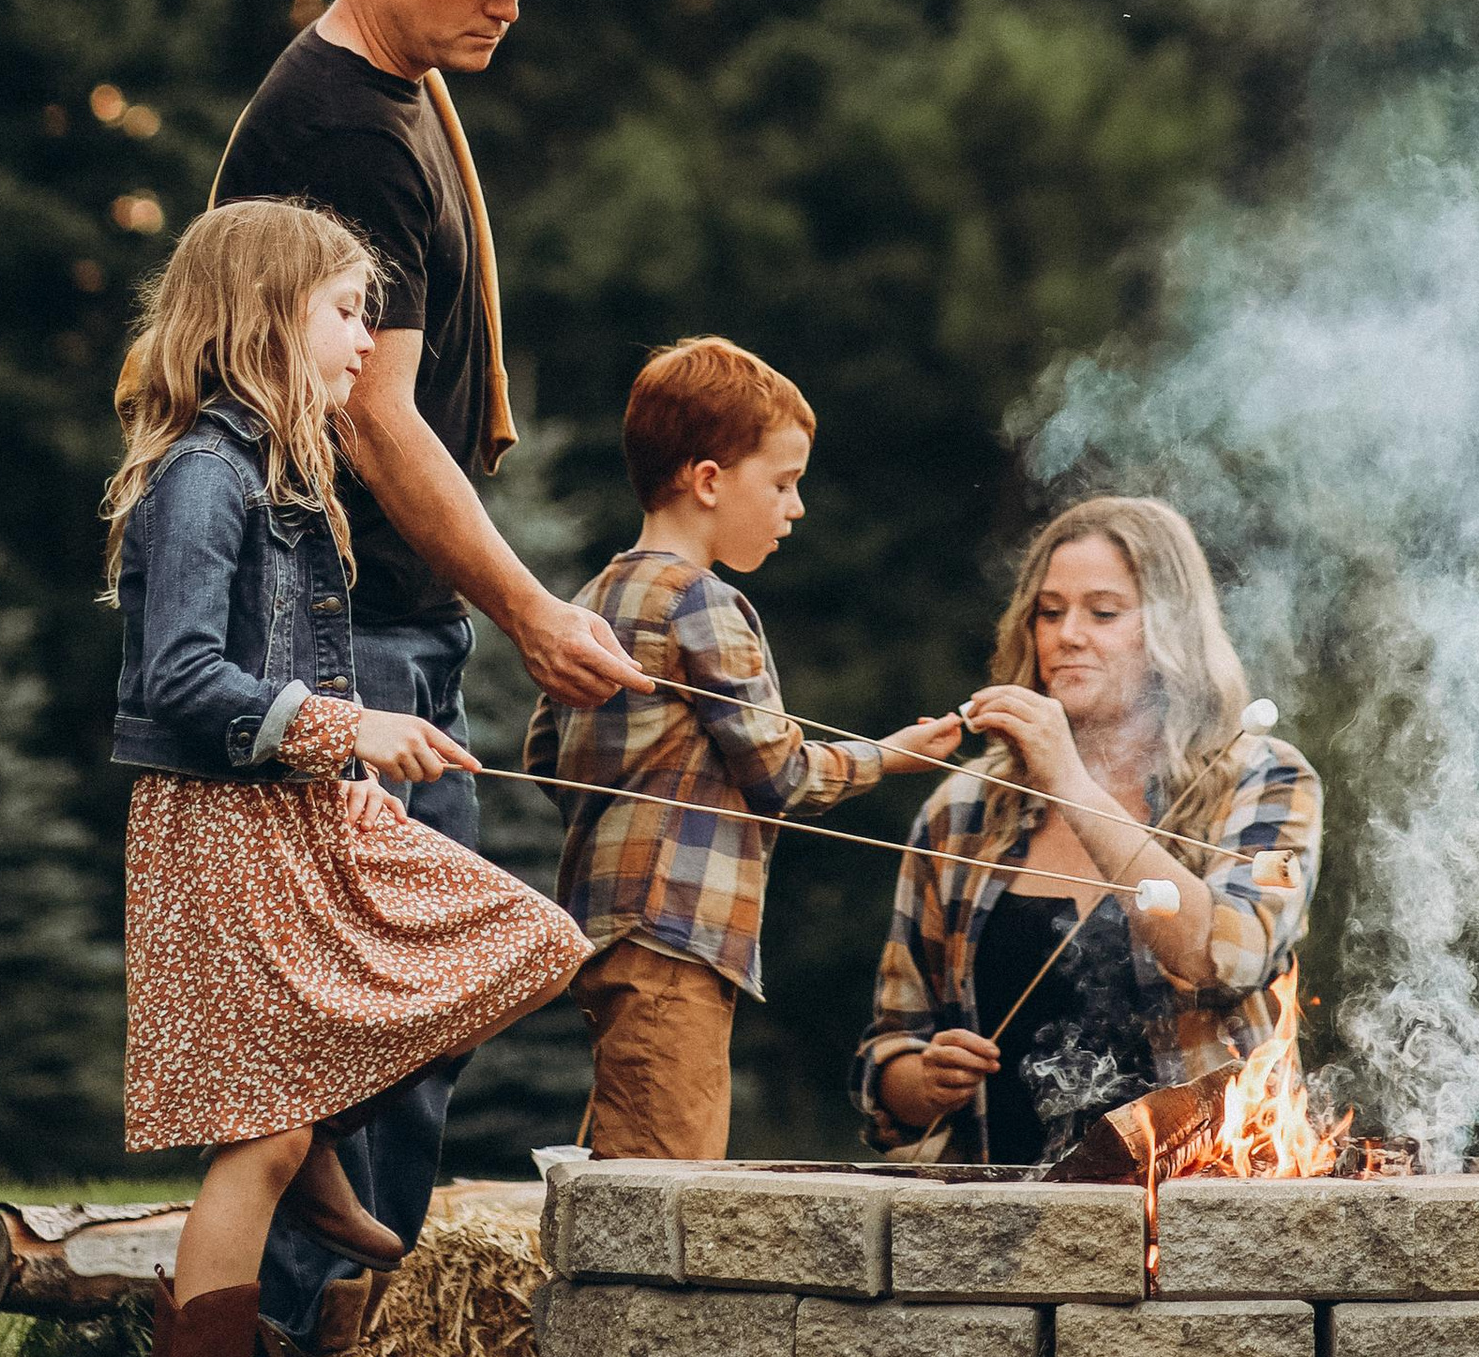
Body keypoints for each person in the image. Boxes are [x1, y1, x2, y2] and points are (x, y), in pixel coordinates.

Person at [205, 0, 648, 1357]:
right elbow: (381, 421)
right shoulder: (342, 129)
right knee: (382, 992)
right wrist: (529, 609)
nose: (507, 2)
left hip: (383, 622)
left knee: (410, 993)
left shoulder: (404, 93)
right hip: (344, 627)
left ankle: (325, 1347)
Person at [108, 197, 586, 1357]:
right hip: (227, 826)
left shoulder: (285, 470)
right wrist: (349, 723)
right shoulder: (207, 476)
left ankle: (317, 1126)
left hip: (306, 808)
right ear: (267, 319)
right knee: (251, 1143)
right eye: (344, 312)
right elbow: (181, 677)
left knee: (523, 942)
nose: (366, 342)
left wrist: (361, 758)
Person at [525, 337, 960, 1157]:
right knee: (665, 1191)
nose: (795, 507)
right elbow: (783, 774)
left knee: (628, 1150)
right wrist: (890, 757)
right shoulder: (703, 603)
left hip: (609, 931)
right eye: (785, 483)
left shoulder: (591, 597)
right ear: (709, 480)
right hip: (678, 937)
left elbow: (548, 756)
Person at [853, 497, 1321, 1165]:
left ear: (1172, 634)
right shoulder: (961, 811)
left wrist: (1072, 783)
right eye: (1050, 612)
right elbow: (888, 1050)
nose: (1067, 634)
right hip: (998, 1230)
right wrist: (922, 1082)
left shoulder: (1264, 781)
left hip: (1206, 1227)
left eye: (1103, 612)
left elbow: (1226, 957)